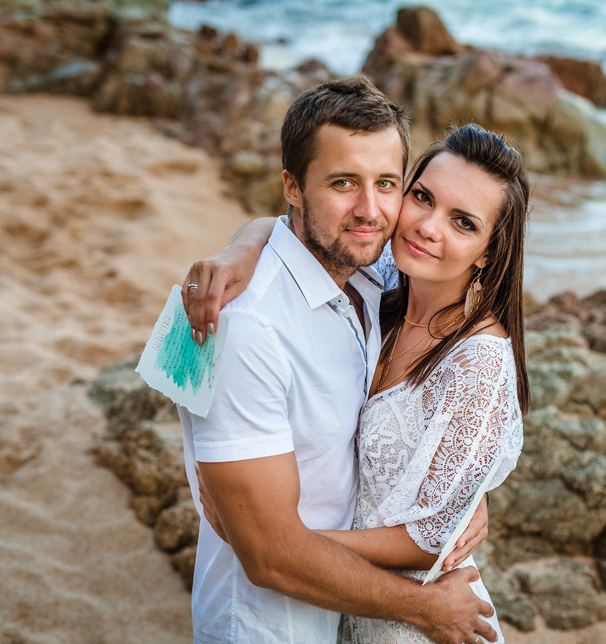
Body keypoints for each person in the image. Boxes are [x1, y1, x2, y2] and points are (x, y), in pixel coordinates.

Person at [176, 75, 499, 644]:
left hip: (346, 615)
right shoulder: (246, 327)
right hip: (267, 626)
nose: (370, 210)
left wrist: (457, 502)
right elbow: (270, 559)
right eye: (343, 183)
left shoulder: (371, 279)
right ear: (292, 187)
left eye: (388, 184)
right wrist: (427, 609)